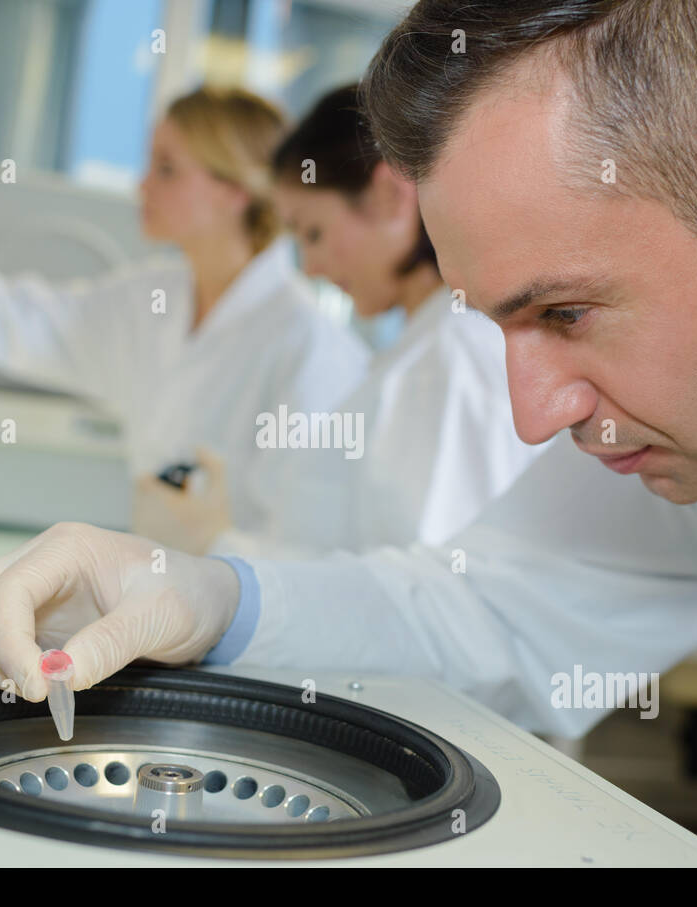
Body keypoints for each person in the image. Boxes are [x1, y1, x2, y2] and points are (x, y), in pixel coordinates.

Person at [0, 1, 697, 866]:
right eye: (497, 320)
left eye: (564, 313)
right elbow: (489, 609)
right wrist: (207, 598)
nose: (530, 415)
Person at [0, 87, 369, 532]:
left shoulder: (309, 347)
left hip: (246, 615)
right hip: (160, 592)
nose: (142, 186)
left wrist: (220, 548)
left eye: (167, 169)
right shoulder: (152, 300)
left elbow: (308, 543)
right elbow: (17, 320)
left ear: (232, 191)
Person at [132, 85, 546, 557]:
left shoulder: (451, 355)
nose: (310, 267)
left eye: (314, 233)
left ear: (390, 195)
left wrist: (219, 544)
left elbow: (427, 593)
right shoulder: (422, 350)